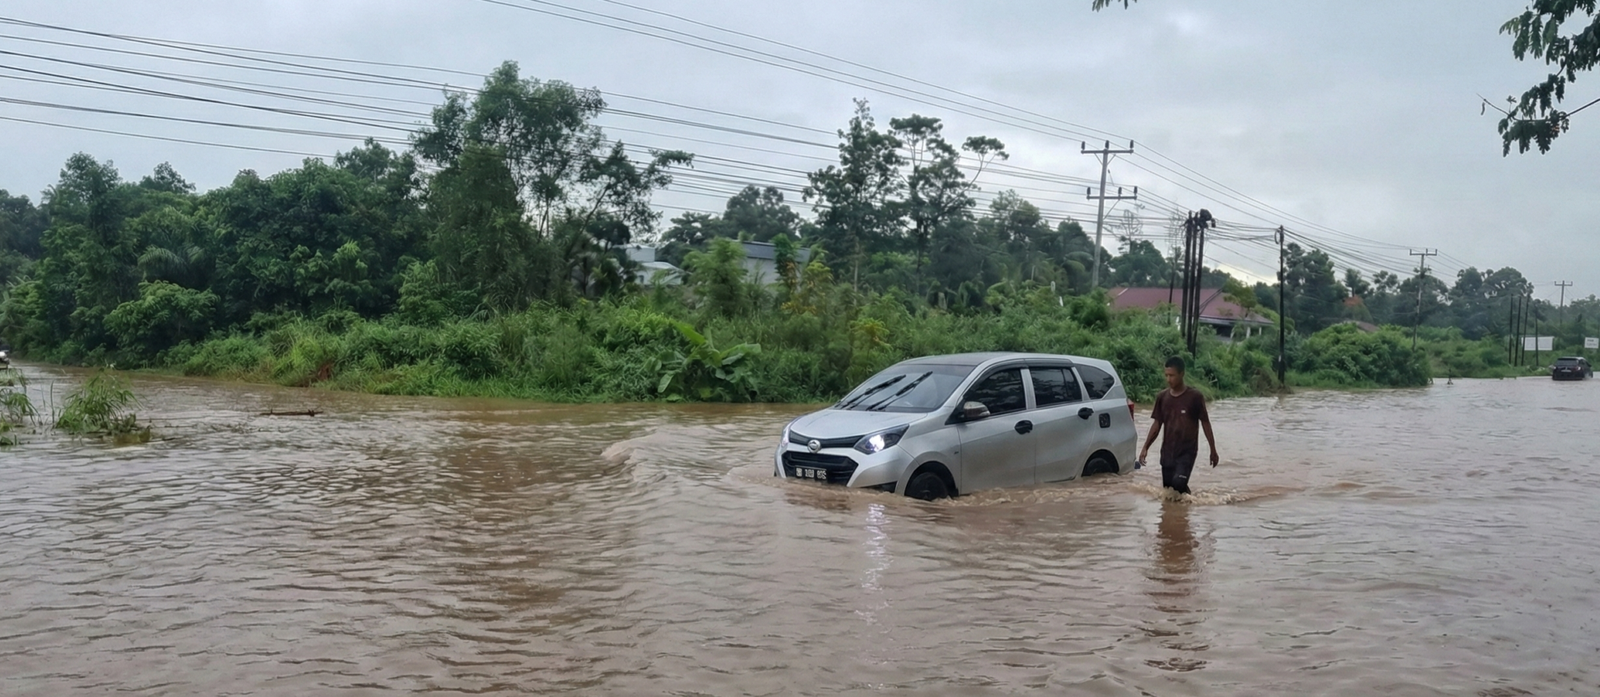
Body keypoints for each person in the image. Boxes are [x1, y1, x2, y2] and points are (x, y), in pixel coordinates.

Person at [1138, 356, 1218, 495]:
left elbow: (1205, 423)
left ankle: (1188, 503)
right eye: (1166, 375)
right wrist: (1145, 447)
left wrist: (1213, 449)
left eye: (1172, 375)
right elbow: (1157, 424)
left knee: (1178, 484)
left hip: (1187, 452)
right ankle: (1189, 504)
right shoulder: (1162, 397)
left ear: (1182, 374)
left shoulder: (1195, 397)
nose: (1169, 379)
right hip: (1167, 452)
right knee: (1169, 492)